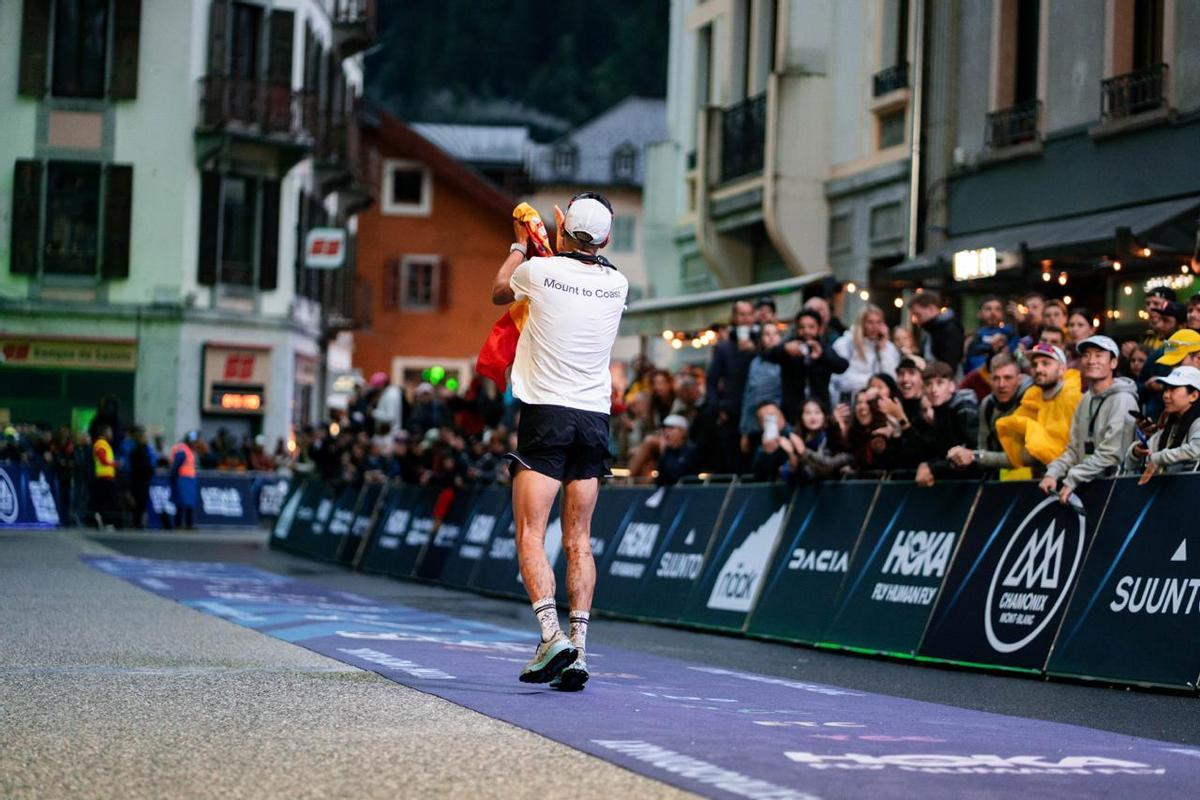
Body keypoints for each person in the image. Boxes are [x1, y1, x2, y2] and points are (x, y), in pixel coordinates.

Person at [490, 191, 627, 690]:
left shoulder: (542, 272)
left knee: (530, 533)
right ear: (608, 237)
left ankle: (551, 635)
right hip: (594, 417)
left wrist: (522, 245)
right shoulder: (618, 282)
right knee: (579, 542)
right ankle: (580, 651)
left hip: (546, 412)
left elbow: (500, 290)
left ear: (564, 224)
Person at [1039, 336, 1138, 504]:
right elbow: (1073, 450)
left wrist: (1072, 479)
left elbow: (1111, 454)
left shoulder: (1123, 399)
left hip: (1118, 490)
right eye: (1086, 355)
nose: (1091, 360)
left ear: (1113, 363)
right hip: (1089, 487)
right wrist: (1052, 473)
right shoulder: (1086, 399)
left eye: (1099, 355)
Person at [995, 343, 1082, 478]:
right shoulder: (1032, 399)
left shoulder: (1074, 399)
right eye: (1034, 365)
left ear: (1062, 370)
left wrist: (979, 457)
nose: (1038, 369)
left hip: (1073, 482)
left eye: (1045, 364)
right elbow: (1019, 451)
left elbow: (1054, 452)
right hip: (1038, 480)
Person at [947, 352, 1030, 479]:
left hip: (1037, 478)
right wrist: (961, 459)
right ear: (989, 379)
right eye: (996, 378)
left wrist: (974, 456)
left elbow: (1027, 457)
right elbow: (983, 452)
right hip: (1002, 480)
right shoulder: (988, 405)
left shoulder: (1030, 401)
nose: (1001, 385)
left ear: (1019, 379)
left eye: (1008, 378)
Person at [705, 300, 758, 473]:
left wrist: (753, 350)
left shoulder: (761, 343)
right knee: (732, 464)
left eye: (749, 314)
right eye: (741, 315)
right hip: (731, 415)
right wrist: (718, 408)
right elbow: (712, 381)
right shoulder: (724, 348)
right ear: (735, 318)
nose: (745, 319)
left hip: (756, 414)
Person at [765, 308, 850, 417]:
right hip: (793, 412)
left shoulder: (823, 348)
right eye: (802, 327)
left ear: (819, 329)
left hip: (820, 411)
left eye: (811, 327)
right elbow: (768, 355)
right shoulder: (790, 346)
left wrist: (822, 355)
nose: (806, 331)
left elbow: (842, 366)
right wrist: (785, 349)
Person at [1126, 366, 1200, 482]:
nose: (1166, 395)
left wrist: (1157, 458)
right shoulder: (1171, 423)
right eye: (1166, 389)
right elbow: (1132, 463)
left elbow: (1195, 450)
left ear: (1194, 396)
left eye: (1173, 389)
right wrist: (1136, 452)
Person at [914, 361, 979, 487]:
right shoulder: (940, 411)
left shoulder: (964, 410)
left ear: (951, 386)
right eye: (928, 384)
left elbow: (972, 454)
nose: (934, 390)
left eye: (940, 383)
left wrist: (932, 468)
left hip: (973, 483)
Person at [830, 304, 899, 402]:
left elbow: (891, 379)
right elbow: (839, 379)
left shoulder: (888, 347)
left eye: (878, 322)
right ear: (862, 323)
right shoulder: (845, 344)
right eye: (870, 322)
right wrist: (872, 383)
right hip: (850, 402)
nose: (875, 327)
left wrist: (883, 350)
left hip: (878, 403)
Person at [910, 294, 964, 373]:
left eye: (918, 315)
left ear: (931, 308)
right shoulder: (932, 329)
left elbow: (950, 363)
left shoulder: (949, 329)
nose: (917, 320)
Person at [964, 295, 1017, 373]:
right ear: (979, 313)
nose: (993, 313)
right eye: (988, 309)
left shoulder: (1011, 335)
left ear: (1002, 313)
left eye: (998, 309)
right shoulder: (974, 340)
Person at [655, 415, 701, 486]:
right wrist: (663, 453)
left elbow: (676, 474)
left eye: (671, 428)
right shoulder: (667, 451)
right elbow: (659, 480)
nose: (666, 432)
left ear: (683, 431)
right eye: (664, 429)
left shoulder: (691, 450)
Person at [126, 426, 157, 528]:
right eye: (145, 437)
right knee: (139, 501)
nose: (146, 439)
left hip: (139, 479)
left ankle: (137, 521)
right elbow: (143, 465)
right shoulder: (139, 451)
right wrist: (150, 471)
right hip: (140, 479)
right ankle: (137, 522)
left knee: (139, 501)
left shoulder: (139, 450)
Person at [168, 432, 199, 529]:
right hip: (182, 479)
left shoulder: (187, 450)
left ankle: (188, 524)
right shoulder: (183, 450)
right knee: (181, 503)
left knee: (188, 503)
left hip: (188, 479)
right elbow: (176, 465)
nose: (195, 444)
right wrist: (173, 477)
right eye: (193, 442)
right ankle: (179, 524)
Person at [91, 425, 118, 529]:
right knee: (106, 502)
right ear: (104, 432)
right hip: (103, 477)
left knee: (104, 501)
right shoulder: (101, 443)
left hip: (106, 477)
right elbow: (102, 459)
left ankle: (102, 521)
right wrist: (114, 464)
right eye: (110, 432)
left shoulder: (105, 444)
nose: (111, 434)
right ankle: (105, 522)